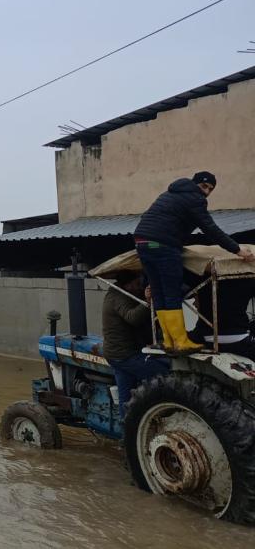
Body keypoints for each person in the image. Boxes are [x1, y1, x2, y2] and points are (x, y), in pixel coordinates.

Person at [134, 171, 255, 353]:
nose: (206, 192)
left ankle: (169, 341)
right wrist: (237, 249)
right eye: (204, 186)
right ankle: (181, 341)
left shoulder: (169, 195)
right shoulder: (194, 199)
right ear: (195, 184)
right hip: (164, 245)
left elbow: (150, 219)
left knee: (159, 293)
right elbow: (210, 228)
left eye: (210, 189)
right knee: (171, 293)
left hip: (142, 242)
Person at [102, 271, 169, 418]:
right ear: (128, 284)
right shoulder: (118, 296)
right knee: (166, 374)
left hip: (120, 353)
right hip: (124, 355)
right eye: (137, 284)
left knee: (126, 399)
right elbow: (132, 317)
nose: (140, 287)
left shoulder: (127, 293)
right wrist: (147, 301)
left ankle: (126, 432)